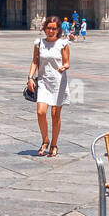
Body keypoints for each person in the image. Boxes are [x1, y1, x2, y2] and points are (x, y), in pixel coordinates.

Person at [28, 15, 70, 157]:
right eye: (49, 28)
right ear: (45, 28)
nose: (51, 31)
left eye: (54, 29)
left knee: (55, 115)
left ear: (58, 30)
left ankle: (54, 144)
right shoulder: (39, 43)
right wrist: (30, 77)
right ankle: (45, 140)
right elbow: (35, 61)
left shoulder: (63, 44)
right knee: (40, 112)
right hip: (43, 82)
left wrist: (64, 67)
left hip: (58, 82)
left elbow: (67, 62)